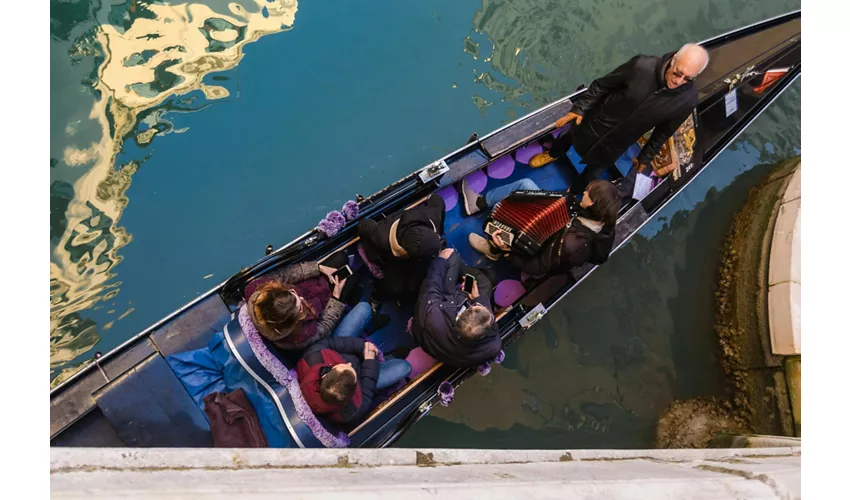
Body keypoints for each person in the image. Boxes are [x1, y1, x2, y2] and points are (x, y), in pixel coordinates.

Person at [528, 43, 709, 199]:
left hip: (618, 144)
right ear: (675, 58)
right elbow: (601, 85)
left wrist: (645, 157)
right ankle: (553, 154)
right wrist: (580, 109)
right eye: (678, 73)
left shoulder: (688, 100)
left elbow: (663, 132)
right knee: (569, 137)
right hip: (596, 121)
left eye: (688, 79)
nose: (678, 81)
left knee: (592, 173)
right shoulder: (641, 66)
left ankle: (573, 192)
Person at [465, 178, 620, 275]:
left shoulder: (571, 246)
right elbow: (601, 257)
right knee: (525, 184)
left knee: (498, 216)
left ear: (592, 203)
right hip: (556, 236)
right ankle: (479, 203)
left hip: (541, 251)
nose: (584, 191)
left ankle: (494, 250)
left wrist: (508, 252)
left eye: (588, 192)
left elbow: (537, 267)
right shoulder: (606, 221)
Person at [245, 251, 388, 350]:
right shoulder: (299, 337)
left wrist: (318, 268)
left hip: (312, 284)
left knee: (341, 257)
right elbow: (324, 326)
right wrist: (336, 298)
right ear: (294, 321)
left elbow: (285, 274)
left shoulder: (255, 289)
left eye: (293, 294)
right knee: (353, 281)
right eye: (299, 307)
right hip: (325, 304)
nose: (301, 299)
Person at [296, 305, 412, 424]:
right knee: (405, 367)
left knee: (364, 308)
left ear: (324, 376)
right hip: (365, 372)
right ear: (353, 393)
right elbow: (367, 390)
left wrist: (363, 346)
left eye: (344, 366)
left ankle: (370, 327)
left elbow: (331, 342)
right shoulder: (352, 411)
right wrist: (370, 360)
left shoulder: (311, 359)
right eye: (350, 369)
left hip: (345, 349)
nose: (350, 364)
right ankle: (387, 357)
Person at [411, 247, 502, 368]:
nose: (480, 304)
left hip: (439, 310)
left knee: (450, 255)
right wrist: (477, 299)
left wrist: (440, 260)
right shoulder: (493, 345)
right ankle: (465, 272)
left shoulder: (433, 318)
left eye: (477, 306)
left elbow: (431, 285)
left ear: (460, 314)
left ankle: (457, 267)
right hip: (450, 316)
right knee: (483, 282)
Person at [357, 194, 446, 300]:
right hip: (393, 259)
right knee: (395, 288)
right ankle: (377, 295)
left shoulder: (434, 216)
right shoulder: (381, 236)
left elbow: (436, 198)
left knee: (413, 286)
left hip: (414, 257)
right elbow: (364, 225)